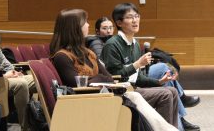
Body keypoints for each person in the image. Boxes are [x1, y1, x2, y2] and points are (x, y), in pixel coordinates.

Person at [49, 9, 179, 131]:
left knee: (136, 96)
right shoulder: (62, 56)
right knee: (136, 96)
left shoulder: (88, 52)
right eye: (85, 22)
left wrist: (98, 79)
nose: (88, 25)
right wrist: (100, 79)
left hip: (105, 95)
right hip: (90, 102)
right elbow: (77, 84)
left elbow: (109, 78)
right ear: (74, 28)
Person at [101, 3, 200, 131]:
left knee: (173, 91)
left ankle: (172, 128)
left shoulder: (135, 44)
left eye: (137, 16)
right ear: (119, 23)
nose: (135, 20)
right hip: (120, 92)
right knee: (165, 95)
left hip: (133, 88)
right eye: (130, 17)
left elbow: (137, 78)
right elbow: (114, 75)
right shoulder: (112, 45)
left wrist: (159, 81)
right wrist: (138, 64)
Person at [89, 16, 200, 108]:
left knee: (166, 74)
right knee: (163, 69)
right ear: (97, 31)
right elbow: (107, 65)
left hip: (134, 72)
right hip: (125, 78)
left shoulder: (119, 41)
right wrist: (137, 63)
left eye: (110, 27)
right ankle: (181, 100)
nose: (108, 31)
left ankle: (180, 107)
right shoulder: (97, 43)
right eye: (105, 28)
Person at [0, 41, 35, 130]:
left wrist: (13, 72)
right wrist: (5, 76)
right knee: (21, 84)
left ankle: (46, 119)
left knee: (36, 79)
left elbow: (7, 65)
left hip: (7, 77)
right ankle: (24, 127)